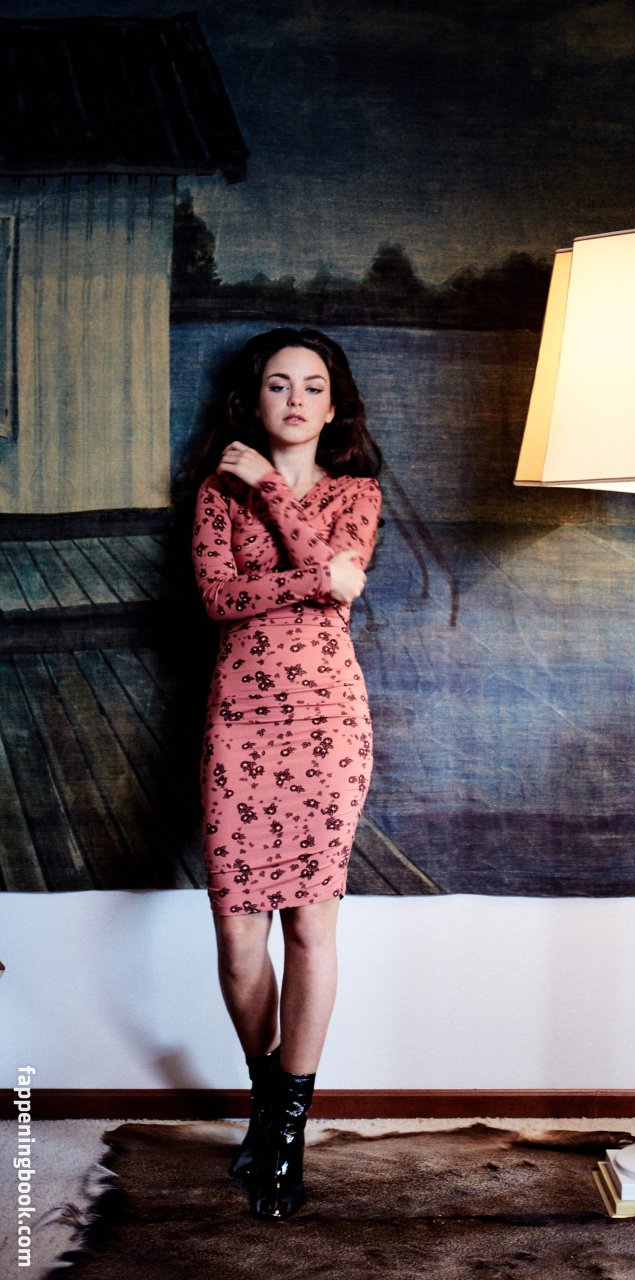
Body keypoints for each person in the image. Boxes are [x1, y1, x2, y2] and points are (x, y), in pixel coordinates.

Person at [190, 327, 382, 1219]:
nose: (296, 399)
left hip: (327, 724)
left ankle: (286, 1137)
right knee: (238, 941)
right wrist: (317, 577)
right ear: (254, 399)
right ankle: (266, 1101)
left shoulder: (355, 493)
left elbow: (344, 580)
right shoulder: (214, 491)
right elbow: (219, 599)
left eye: (312, 386)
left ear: (333, 406)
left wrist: (271, 487)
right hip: (240, 723)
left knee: (310, 926)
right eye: (278, 384)